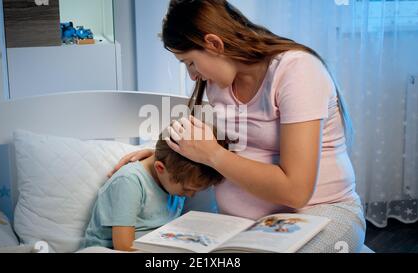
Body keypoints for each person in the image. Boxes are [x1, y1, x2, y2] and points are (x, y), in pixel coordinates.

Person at [109, 0, 366, 253]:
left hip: (318, 213)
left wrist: (213, 154)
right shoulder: (218, 85)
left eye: (190, 62)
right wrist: (165, 155)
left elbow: (296, 191)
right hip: (241, 228)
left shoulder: (296, 70)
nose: (192, 75)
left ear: (213, 44)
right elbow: (215, 142)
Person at [83, 131, 227, 251]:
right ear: (160, 168)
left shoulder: (175, 176)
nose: (190, 195)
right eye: (186, 190)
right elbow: (124, 247)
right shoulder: (129, 181)